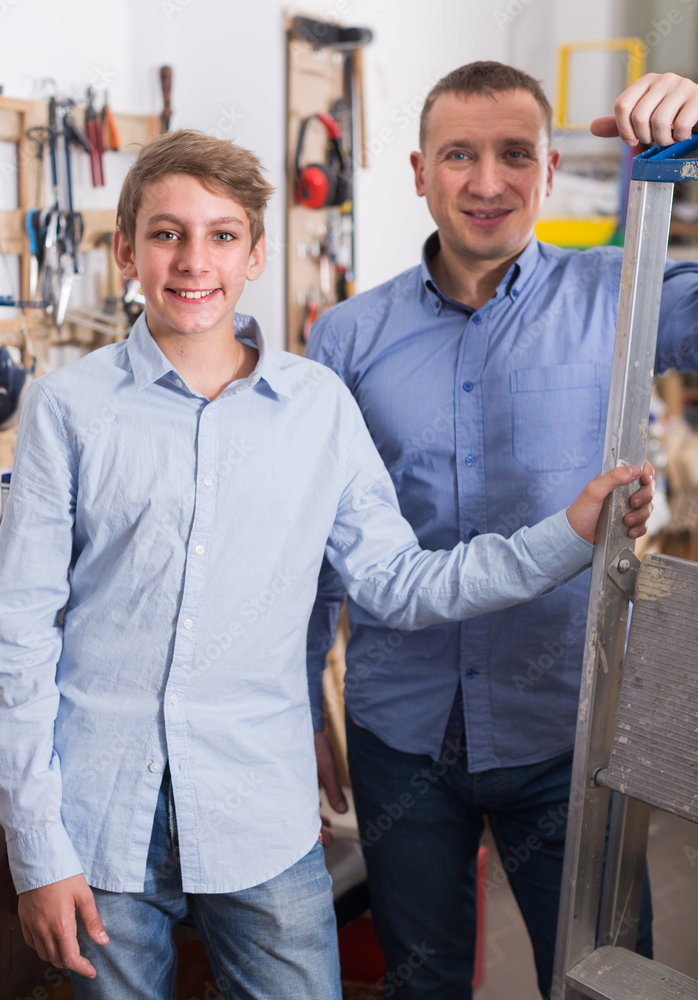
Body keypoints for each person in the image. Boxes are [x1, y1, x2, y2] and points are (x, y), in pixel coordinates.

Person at [0, 129, 651, 1000]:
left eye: (221, 235)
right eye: (167, 233)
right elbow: (16, 639)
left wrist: (569, 533)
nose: (193, 260)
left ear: (255, 255)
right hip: (97, 815)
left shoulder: (318, 407)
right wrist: (37, 850)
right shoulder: (67, 408)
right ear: (126, 252)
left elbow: (399, 584)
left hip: (259, 814)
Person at [306, 63, 698, 1000]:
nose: (488, 182)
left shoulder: (625, 293)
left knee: (603, 981)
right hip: (400, 734)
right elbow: (316, 545)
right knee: (422, 982)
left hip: (566, 733)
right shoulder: (347, 337)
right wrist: (303, 701)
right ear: (418, 171)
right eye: (459, 155)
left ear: (550, 169)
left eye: (516, 154)